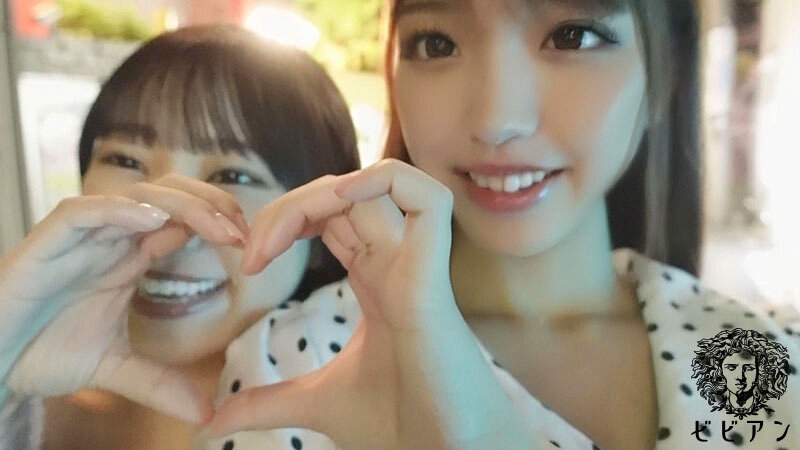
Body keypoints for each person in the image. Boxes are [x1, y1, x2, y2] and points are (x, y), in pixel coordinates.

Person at [196, 1, 800, 449]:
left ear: (663, 78)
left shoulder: (763, 357)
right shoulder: (297, 361)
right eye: (435, 44)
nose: (497, 119)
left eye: (573, 35)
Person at [0, 25, 359, 449]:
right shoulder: (20, 386)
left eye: (235, 175)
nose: (167, 218)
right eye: (125, 160)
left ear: (320, 227)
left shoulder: (363, 394)